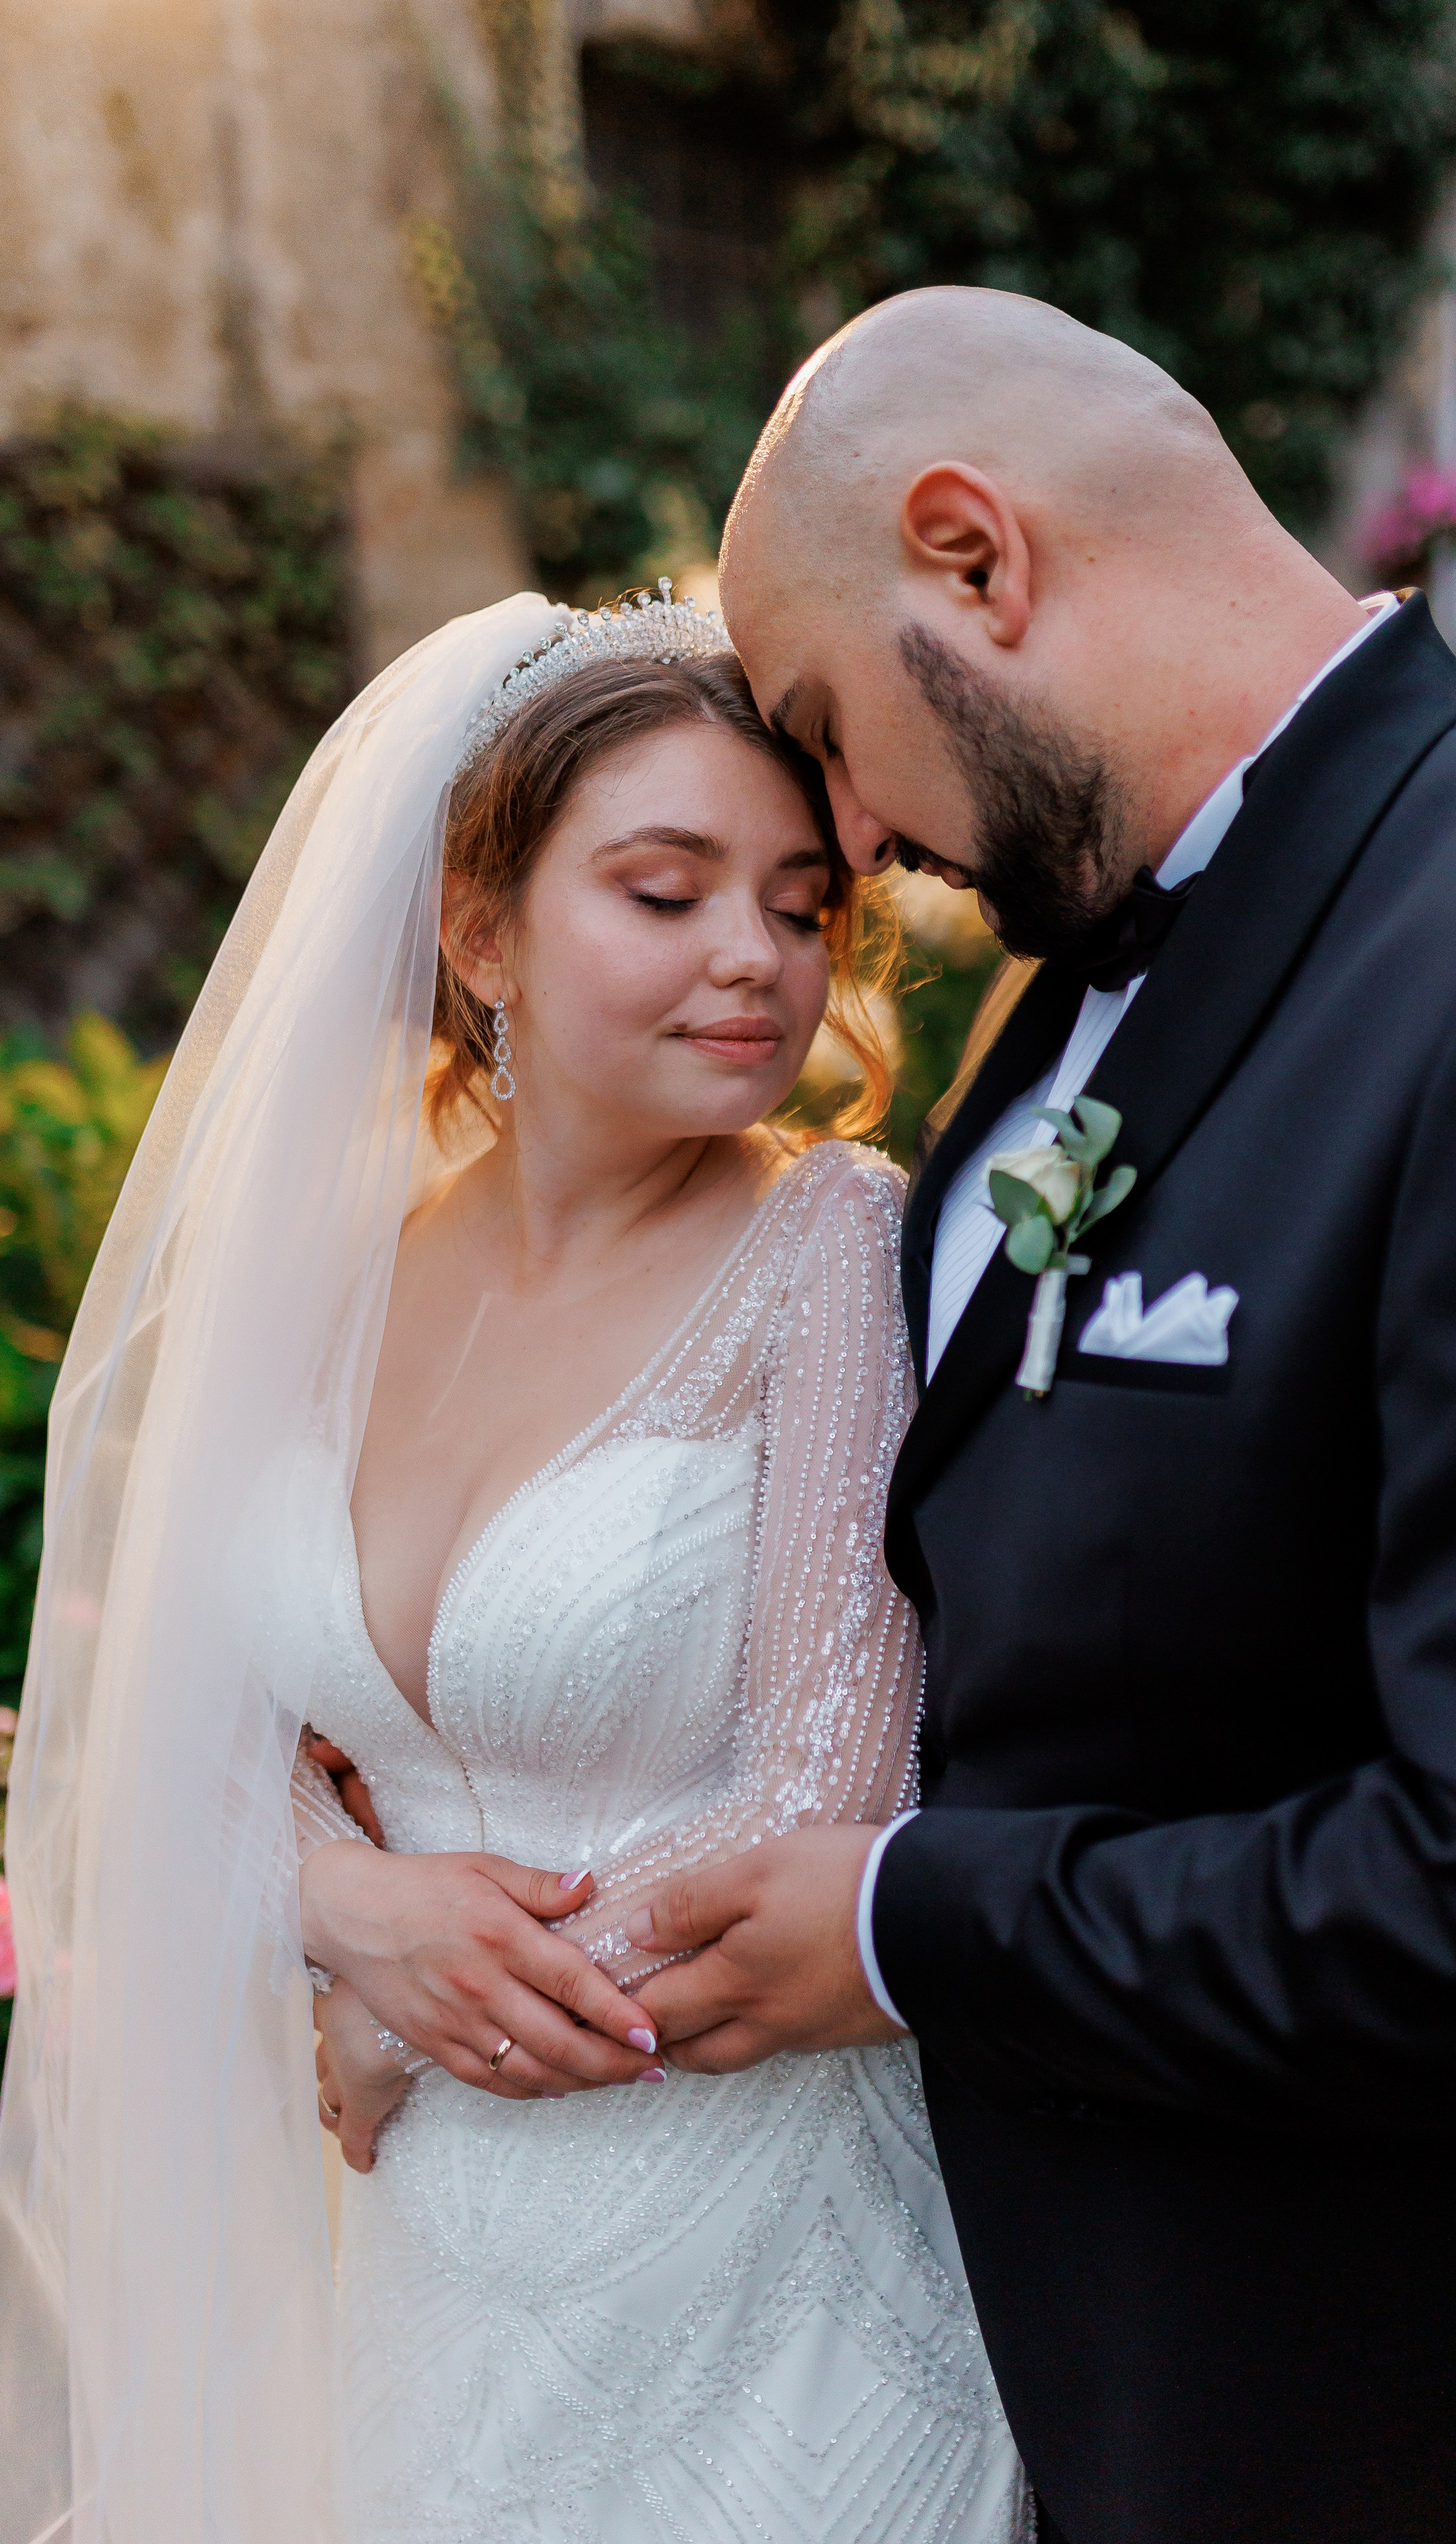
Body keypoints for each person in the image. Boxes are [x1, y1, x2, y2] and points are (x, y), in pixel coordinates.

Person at [617, 288, 1456, 2543]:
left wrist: (922, 1926)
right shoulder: (1074, 985)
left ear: (974, 556)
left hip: (1405, 2432)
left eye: (823, 728)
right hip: (1020, 2395)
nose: (844, 835)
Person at [0, 590, 1023, 2544]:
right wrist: (346, 1900)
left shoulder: (831, 1252)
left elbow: (825, 1798)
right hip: (418, 2259)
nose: (756, 958)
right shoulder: (332, 1286)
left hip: (750, 2262)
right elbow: (192, 1725)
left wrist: (395, 2016)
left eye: (802, 906)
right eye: (667, 891)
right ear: (480, 930)